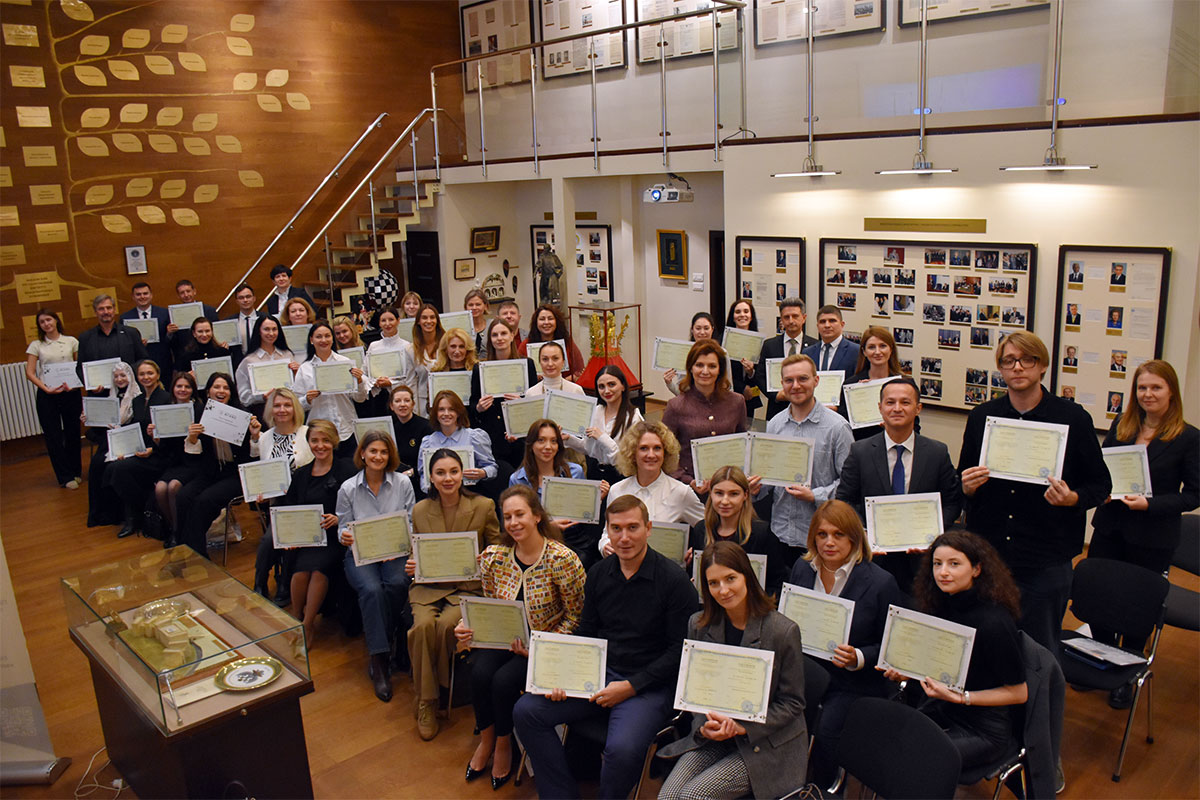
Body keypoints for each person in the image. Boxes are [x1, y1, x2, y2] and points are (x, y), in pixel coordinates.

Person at [513, 495, 697, 800]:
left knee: (622, 750)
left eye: (633, 528)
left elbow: (680, 651)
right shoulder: (598, 573)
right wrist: (563, 677)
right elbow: (587, 633)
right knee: (526, 712)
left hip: (648, 684)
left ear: (649, 528)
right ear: (607, 532)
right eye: (617, 529)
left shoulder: (674, 581)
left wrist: (631, 686)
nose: (624, 538)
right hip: (598, 673)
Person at [958, 331, 1111, 660]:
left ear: (1042, 366)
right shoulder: (983, 416)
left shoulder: (1072, 418)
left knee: (1039, 653)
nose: (1018, 367)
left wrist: (1072, 498)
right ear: (1000, 368)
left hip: (1046, 556)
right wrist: (967, 487)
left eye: (1027, 360)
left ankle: (1039, 712)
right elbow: (965, 476)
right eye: (1009, 361)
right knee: (987, 644)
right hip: (991, 553)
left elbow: (1100, 485)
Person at [456, 485, 586, 789]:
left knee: (503, 682)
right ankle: (486, 740)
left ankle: (503, 745)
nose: (513, 523)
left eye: (520, 514)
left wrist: (540, 648)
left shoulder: (562, 559)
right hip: (505, 639)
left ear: (537, 516)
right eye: (508, 516)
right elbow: (487, 607)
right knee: (478, 671)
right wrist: (465, 624)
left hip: (547, 646)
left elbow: (577, 617)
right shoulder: (494, 557)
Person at [659, 541, 808, 800]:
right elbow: (695, 693)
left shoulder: (783, 631)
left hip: (766, 743)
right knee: (668, 797)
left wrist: (741, 727)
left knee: (694, 796)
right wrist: (703, 726)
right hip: (716, 734)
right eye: (713, 583)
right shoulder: (698, 624)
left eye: (730, 579)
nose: (723, 590)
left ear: (747, 576)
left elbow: (793, 703)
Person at [1089, 360, 1198, 705]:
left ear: (1171, 393)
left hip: (1152, 537)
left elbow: (1194, 494)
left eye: (1156, 388)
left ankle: (1129, 671)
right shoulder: (1123, 425)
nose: (1148, 394)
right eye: (1142, 388)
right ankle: (1103, 662)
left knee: (1137, 606)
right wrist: (1101, 488)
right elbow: (1102, 467)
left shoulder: (1189, 437)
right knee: (1100, 596)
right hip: (1110, 527)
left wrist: (1148, 505)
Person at [883, 530, 1027, 773]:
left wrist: (962, 698)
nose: (943, 572)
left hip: (982, 727)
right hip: (941, 707)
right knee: (888, 741)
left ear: (976, 569)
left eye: (954, 564)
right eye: (937, 564)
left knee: (914, 759)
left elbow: (1019, 693)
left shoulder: (994, 622)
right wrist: (910, 672)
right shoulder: (939, 603)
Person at [786, 500, 903, 785]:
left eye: (838, 535)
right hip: (806, 671)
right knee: (782, 723)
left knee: (826, 733)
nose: (829, 542)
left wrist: (859, 657)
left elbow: (893, 650)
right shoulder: (802, 570)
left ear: (854, 537)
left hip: (853, 682)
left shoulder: (880, 582)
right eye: (822, 534)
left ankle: (824, 789)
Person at [408, 448, 502, 738]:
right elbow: (418, 551)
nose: (448, 478)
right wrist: (413, 564)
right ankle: (428, 701)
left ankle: (433, 692)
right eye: (440, 473)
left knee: (446, 626)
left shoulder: (484, 505)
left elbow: (499, 549)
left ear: (463, 474)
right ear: (431, 478)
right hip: (429, 586)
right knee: (421, 627)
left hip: (469, 588)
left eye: (453, 471)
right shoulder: (420, 510)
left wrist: (484, 558)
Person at [836, 377, 962, 592]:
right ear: (880, 408)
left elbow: (952, 503)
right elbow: (844, 501)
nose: (897, 408)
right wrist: (864, 533)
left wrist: (934, 534)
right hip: (872, 559)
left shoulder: (937, 452)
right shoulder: (860, 451)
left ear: (918, 408)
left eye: (905, 402)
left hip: (922, 563)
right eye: (890, 402)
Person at [336, 431, 417, 702]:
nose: (378, 457)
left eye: (383, 452)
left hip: (395, 552)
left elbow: (410, 521)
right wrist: (343, 535)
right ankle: (380, 659)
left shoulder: (403, 484)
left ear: (389, 455)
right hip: (361, 555)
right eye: (373, 452)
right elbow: (342, 526)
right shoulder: (348, 488)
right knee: (371, 589)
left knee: (396, 583)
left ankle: (394, 635)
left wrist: (392, 543)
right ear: (362, 454)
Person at [761, 354, 853, 570]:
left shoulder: (838, 428)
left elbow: (849, 485)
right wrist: (756, 486)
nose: (796, 386)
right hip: (780, 531)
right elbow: (767, 475)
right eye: (789, 381)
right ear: (782, 384)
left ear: (816, 380)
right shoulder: (775, 425)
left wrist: (815, 495)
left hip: (821, 537)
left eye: (803, 379)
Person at [277, 420, 356, 645]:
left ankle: (308, 625)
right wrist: (290, 537)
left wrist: (339, 518)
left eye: (325, 440)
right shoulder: (302, 474)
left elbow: (359, 504)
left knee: (319, 570)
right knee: (300, 572)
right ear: (308, 443)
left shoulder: (347, 469)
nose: (320, 445)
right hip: (308, 538)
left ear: (334, 442)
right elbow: (289, 509)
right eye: (314, 441)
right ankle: (297, 617)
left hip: (335, 537)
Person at [175, 373, 259, 557]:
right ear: (208, 392)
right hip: (210, 471)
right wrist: (192, 438)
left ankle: (195, 553)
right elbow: (193, 458)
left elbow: (254, 456)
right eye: (216, 387)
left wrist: (254, 436)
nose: (221, 391)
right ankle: (182, 545)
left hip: (236, 473)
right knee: (183, 496)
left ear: (231, 392)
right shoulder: (200, 414)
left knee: (204, 501)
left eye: (226, 388)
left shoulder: (243, 415)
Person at [599, 421, 705, 556]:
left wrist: (695, 551)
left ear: (665, 452)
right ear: (632, 453)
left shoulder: (681, 492)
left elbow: (708, 529)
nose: (651, 455)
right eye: (643, 448)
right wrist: (604, 546)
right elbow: (607, 533)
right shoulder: (617, 490)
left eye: (657, 448)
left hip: (666, 573)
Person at [249, 387, 312, 600]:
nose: (282, 409)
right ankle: (260, 583)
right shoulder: (265, 438)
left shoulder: (307, 433)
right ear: (271, 410)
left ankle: (285, 583)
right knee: (269, 541)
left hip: (305, 502)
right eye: (277, 405)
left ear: (295, 408)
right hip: (278, 504)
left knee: (290, 536)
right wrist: (261, 493)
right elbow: (262, 474)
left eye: (287, 405)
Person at [661, 339, 748, 487]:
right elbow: (664, 453)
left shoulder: (737, 402)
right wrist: (688, 481)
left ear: (720, 369)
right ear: (691, 368)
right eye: (699, 365)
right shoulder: (675, 406)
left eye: (712, 366)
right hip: (689, 488)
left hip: (728, 486)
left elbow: (742, 445)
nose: (705, 371)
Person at [688, 466, 781, 592]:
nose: (725, 501)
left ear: (745, 495)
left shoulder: (762, 533)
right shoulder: (701, 530)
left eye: (734, 494)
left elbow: (775, 584)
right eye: (719, 493)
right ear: (710, 493)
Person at [105, 360, 170, 538]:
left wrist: (152, 449)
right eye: (142, 374)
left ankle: (134, 516)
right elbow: (135, 429)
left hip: (160, 454)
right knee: (113, 467)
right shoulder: (138, 399)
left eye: (150, 373)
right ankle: (135, 514)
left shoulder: (165, 398)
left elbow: (169, 433)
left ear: (157, 375)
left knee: (120, 470)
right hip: (141, 451)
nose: (146, 377)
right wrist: (123, 449)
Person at [292, 320, 370, 458]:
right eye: (318, 336)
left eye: (327, 336)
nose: (323, 340)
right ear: (311, 340)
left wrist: (358, 381)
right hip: (319, 433)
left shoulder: (344, 363)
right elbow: (296, 405)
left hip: (346, 429)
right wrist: (307, 399)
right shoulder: (305, 369)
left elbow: (360, 398)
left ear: (332, 338)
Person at [25, 309, 82, 489]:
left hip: (70, 392)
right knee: (53, 436)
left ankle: (75, 471)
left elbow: (79, 367)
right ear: (39, 326)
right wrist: (45, 388)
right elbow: (30, 372)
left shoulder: (71, 341)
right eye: (42, 322)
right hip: (47, 395)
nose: (46, 324)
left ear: (56, 320)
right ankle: (65, 476)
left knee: (73, 432)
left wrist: (75, 384)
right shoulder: (36, 345)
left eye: (49, 320)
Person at [469, 318, 537, 467]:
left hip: (521, 435)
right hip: (492, 436)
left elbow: (535, 404)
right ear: (490, 339)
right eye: (494, 335)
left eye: (504, 333)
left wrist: (521, 401)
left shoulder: (527, 365)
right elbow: (472, 405)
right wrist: (479, 408)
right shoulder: (479, 368)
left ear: (512, 335)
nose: (499, 338)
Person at [564, 365, 643, 485]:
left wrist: (602, 438)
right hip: (594, 473)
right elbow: (588, 449)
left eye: (612, 384)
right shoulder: (596, 411)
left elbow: (626, 460)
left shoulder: (633, 418)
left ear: (622, 386)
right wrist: (569, 439)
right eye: (601, 386)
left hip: (619, 476)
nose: (606, 391)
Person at [148, 372, 203, 542]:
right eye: (179, 386)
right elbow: (164, 447)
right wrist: (155, 437)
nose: (183, 390)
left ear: (193, 390)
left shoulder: (199, 409)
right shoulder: (165, 409)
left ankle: (178, 534)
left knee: (172, 487)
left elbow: (203, 445)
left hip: (193, 462)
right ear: (173, 388)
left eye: (187, 387)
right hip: (173, 462)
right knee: (160, 489)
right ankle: (173, 527)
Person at [84, 362, 139, 528]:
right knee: (96, 464)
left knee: (111, 465)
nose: (120, 379)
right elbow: (99, 426)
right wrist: (87, 419)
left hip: (129, 441)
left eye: (123, 375)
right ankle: (101, 514)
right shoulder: (109, 397)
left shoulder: (137, 396)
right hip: (109, 440)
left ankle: (119, 513)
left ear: (130, 376)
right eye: (116, 377)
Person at [418, 390, 502, 497]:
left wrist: (483, 473)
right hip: (438, 497)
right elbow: (423, 475)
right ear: (435, 413)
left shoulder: (475, 437)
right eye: (441, 409)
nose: (446, 414)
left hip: (470, 494)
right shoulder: (427, 442)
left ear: (458, 412)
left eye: (451, 409)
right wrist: (428, 488)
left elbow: (492, 467)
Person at [837, 326, 912, 440]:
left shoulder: (906, 384)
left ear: (891, 349)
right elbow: (844, 426)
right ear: (864, 352)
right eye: (871, 347)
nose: (877, 352)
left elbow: (914, 426)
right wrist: (859, 397)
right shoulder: (851, 385)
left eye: (883, 346)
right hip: (861, 448)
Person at [755, 297, 817, 419]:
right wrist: (775, 395)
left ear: (803, 318)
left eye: (795, 316)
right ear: (781, 320)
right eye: (786, 317)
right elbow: (760, 376)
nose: (791, 321)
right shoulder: (769, 345)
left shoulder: (815, 346)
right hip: (777, 409)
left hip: (808, 410)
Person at [76, 294, 149, 386]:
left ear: (114, 310)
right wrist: (91, 385)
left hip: (129, 389)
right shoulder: (85, 338)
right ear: (95, 312)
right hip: (100, 391)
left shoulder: (131, 333)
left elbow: (142, 360)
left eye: (109, 308)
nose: (106, 312)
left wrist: (129, 377)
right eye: (101, 309)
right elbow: (80, 368)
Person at [235, 314, 297, 419]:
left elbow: (297, 387)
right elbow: (243, 396)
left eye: (274, 329)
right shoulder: (248, 361)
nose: (271, 333)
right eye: (266, 329)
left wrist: (297, 373)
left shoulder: (287, 355)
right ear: (259, 331)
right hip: (262, 412)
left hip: (288, 410)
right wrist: (261, 397)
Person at [366, 306, 418, 414]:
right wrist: (374, 382)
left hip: (400, 399)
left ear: (398, 321)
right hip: (378, 398)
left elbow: (410, 378)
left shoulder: (407, 346)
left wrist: (391, 383)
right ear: (379, 323)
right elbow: (365, 372)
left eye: (391, 319)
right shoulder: (373, 346)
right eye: (383, 320)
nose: (387, 324)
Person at [520, 304, 586, 382]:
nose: (546, 322)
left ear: (557, 321)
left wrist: (565, 381)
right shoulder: (526, 344)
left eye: (550, 318)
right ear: (536, 322)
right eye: (542, 319)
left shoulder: (567, 342)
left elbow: (579, 370)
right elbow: (520, 374)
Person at [120, 282, 172, 379]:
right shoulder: (125, 318)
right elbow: (124, 344)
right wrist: (137, 345)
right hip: (138, 365)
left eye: (145, 293)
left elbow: (172, 341)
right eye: (138, 294)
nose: (142, 297)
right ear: (133, 297)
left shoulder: (165, 313)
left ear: (151, 295)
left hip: (162, 362)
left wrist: (169, 333)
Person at [386, 384, 432, 482]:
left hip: (420, 479)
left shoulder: (426, 427)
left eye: (407, 400)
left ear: (413, 404)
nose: (402, 404)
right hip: (396, 480)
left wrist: (411, 472)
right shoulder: (389, 429)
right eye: (397, 401)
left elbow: (430, 460)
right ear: (391, 406)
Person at [726, 299, 762, 417]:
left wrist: (751, 372)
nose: (742, 315)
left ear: (751, 317)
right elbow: (722, 372)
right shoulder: (723, 340)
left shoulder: (758, 342)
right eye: (738, 312)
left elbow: (761, 372)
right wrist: (742, 388)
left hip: (749, 398)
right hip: (729, 395)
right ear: (733, 317)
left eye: (746, 311)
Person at [803, 305, 858, 380]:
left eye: (832, 321)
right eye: (822, 322)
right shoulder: (808, 353)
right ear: (817, 326)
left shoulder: (855, 351)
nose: (827, 325)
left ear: (842, 324)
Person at [411, 302, 445, 412]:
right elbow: (411, 383)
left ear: (437, 321)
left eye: (432, 317)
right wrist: (414, 411)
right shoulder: (411, 350)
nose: (429, 321)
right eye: (424, 318)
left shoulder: (447, 344)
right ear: (418, 322)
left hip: (445, 399)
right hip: (422, 403)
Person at [226, 283, 260, 367]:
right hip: (239, 364)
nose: (245, 300)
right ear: (237, 301)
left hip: (261, 362)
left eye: (248, 296)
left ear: (254, 298)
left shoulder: (265, 318)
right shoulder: (230, 322)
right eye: (241, 298)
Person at [464, 288, 492, 359]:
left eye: (478, 304)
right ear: (465, 307)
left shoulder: (493, 325)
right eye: (470, 305)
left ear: (485, 306)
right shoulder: (462, 330)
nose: (474, 307)